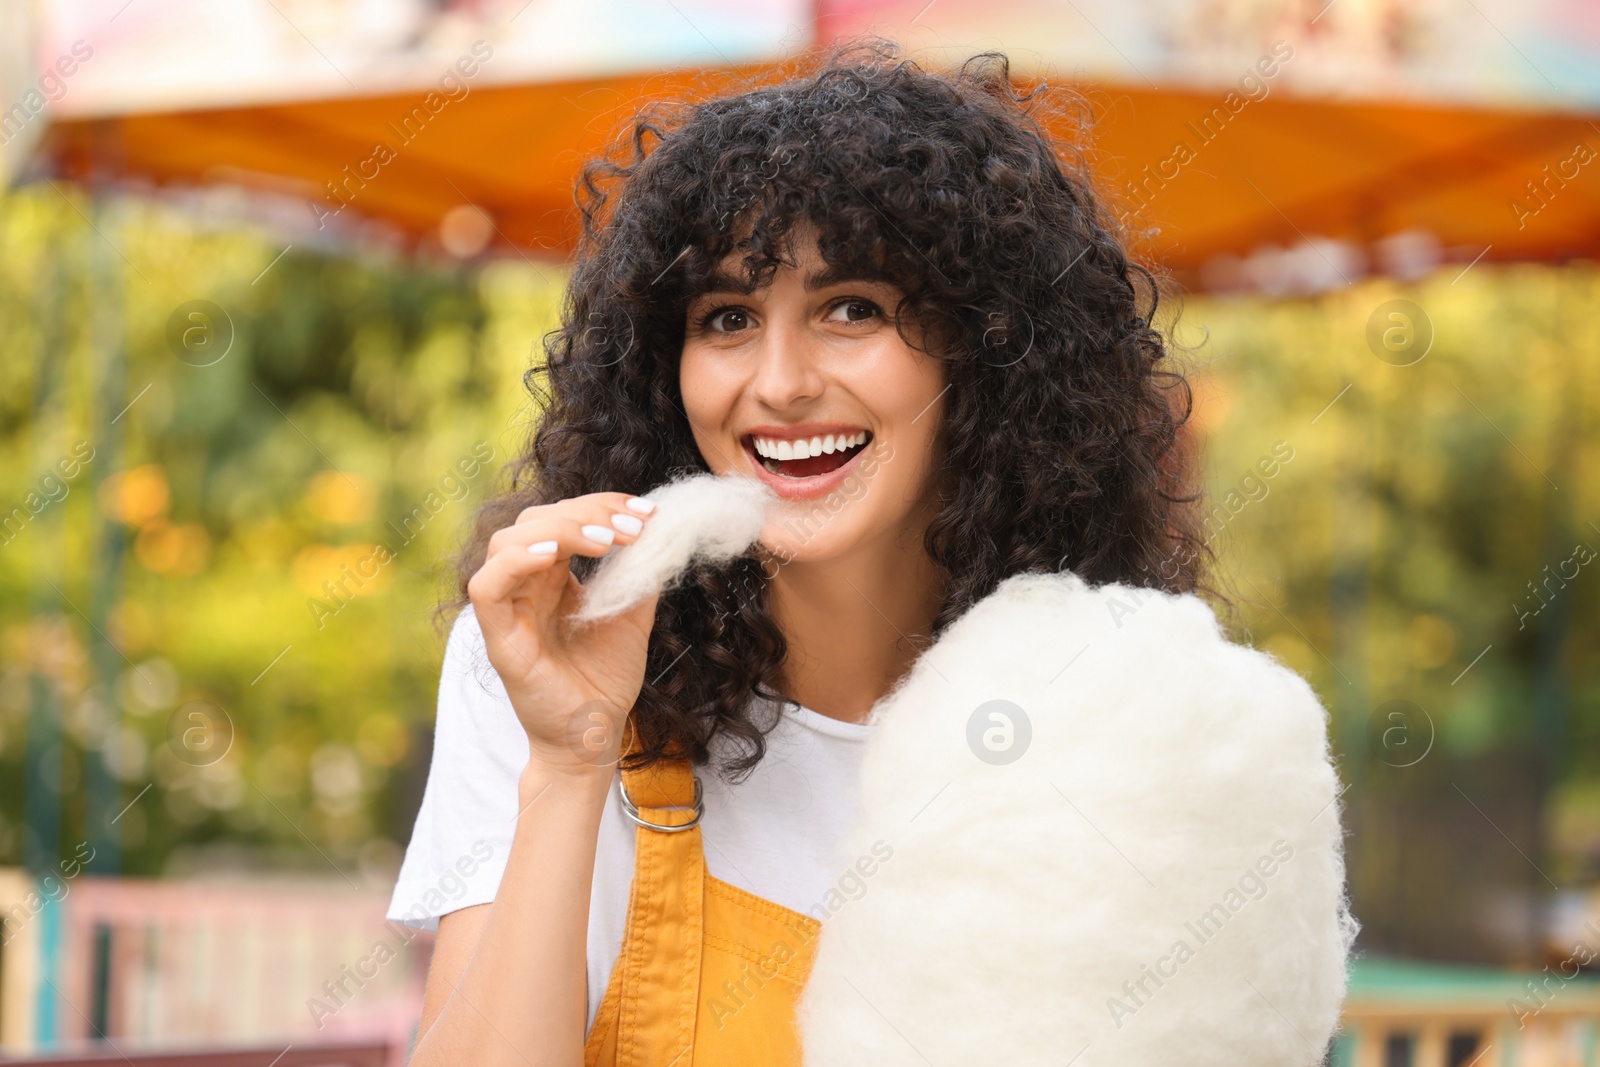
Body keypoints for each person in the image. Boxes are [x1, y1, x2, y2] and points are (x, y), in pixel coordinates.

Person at [388, 40, 1209, 1066]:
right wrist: (567, 762)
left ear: (985, 348)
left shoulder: (1118, 712)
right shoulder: (545, 648)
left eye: (850, 308)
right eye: (726, 317)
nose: (777, 382)